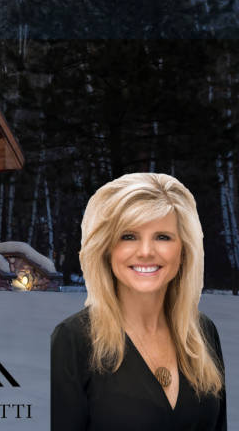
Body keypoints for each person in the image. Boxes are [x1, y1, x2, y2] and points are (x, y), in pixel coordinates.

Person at [51, 172, 226, 430]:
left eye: (162, 237)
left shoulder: (203, 332)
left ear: (184, 250)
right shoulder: (74, 340)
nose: (146, 251)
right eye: (129, 236)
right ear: (107, 248)